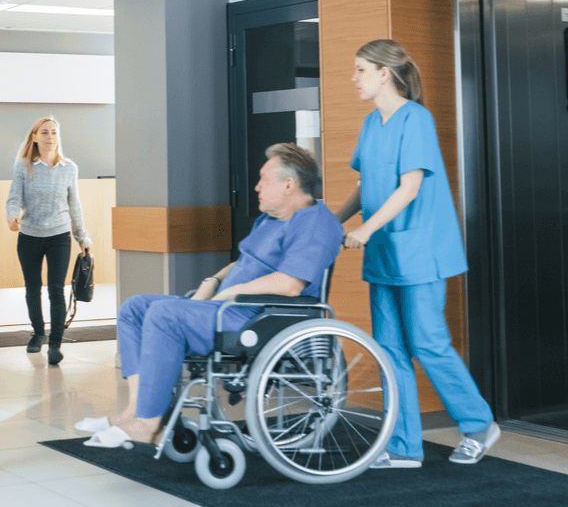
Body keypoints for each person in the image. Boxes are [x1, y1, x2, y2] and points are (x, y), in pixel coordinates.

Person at [75, 143, 341, 448]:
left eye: (264, 179)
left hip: (253, 320)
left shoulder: (317, 224)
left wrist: (231, 292)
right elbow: (245, 262)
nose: (256, 187)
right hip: (224, 307)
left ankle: (149, 424)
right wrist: (212, 281)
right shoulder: (269, 220)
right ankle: (135, 411)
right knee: (135, 308)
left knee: (164, 316)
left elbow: (290, 284)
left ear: (289, 185)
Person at [337, 39, 499, 468]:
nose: (353, 78)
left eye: (360, 70)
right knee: (389, 351)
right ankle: (403, 446)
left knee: (428, 344)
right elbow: (366, 183)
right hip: (385, 253)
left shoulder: (417, 120)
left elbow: (409, 187)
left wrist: (366, 229)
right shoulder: (373, 123)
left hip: (420, 250)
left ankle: (478, 423)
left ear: (383, 73)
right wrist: (335, 221)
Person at [5, 117, 91, 365]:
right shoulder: (23, 166)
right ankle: (38, 333)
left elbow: (74, 205)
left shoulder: (69, 168)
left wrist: (81, 236)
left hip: (59, 236)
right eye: (44, 132)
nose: (49, 136)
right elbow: (14, 198)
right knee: (32, 288)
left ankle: (55, 343)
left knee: (56, 289)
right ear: (34, 137)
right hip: (29, 236)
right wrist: (12, 216)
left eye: (53, 132)